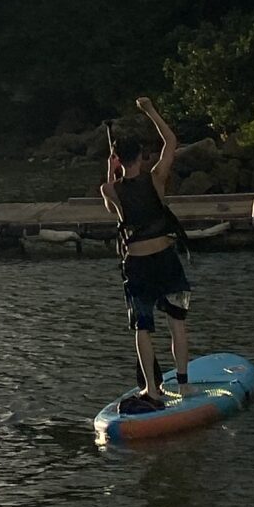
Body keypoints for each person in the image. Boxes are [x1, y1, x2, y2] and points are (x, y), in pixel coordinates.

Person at [103, 95, 192, 413]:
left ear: (117, 159)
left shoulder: (110, 189)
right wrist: (150, 110)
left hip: (137, 265)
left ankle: (151, 389)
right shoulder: (155, 179)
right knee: (176, 323)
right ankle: (183, 384)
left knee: (142, 327)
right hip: (165, 259)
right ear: (141, 155)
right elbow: (171, 141)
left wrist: (112, 164)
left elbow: (111, 198)